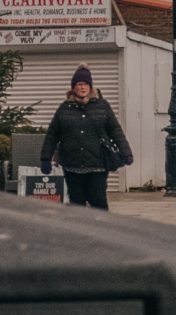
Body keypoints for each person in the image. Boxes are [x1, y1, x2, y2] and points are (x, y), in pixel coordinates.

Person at [38, 66, 133, 209]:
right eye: (79, 84)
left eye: (85, 84)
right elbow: (53, 133)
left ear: (90, 86)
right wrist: (45, 158)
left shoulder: (102, 106)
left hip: (97, 163)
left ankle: (101, 229)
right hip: (72, 163)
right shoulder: (65, 107)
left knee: (98, 199)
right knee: (76, 202)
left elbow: (115, 130)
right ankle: (78, 230)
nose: (82, 88)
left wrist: (126, 152)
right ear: (73, 87)